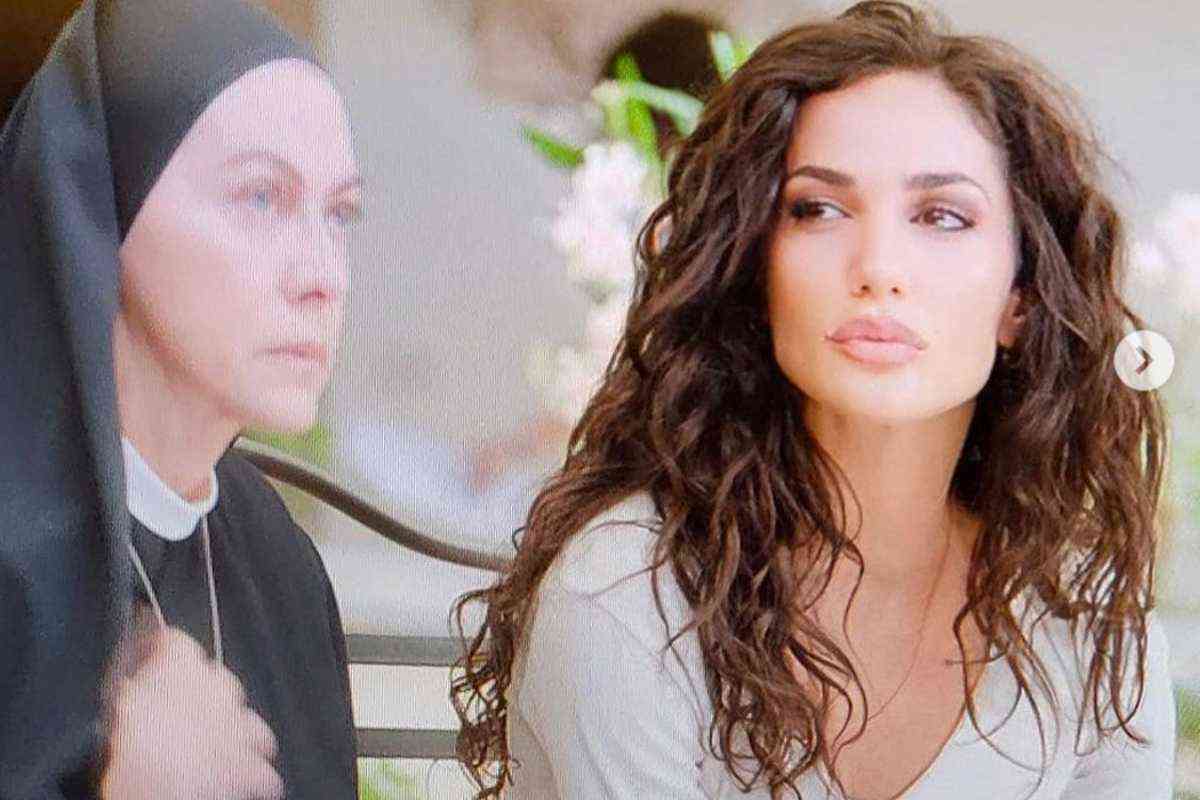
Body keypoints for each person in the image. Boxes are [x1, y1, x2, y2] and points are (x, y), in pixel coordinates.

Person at [451, 2, 1176, 798]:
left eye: (942, 216)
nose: (878, 267)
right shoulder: (632, 595)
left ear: (1022, 300)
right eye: (818, 209)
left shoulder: (1086, 616)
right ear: (756, 270)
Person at [0, 0, 361, 796]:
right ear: (103, 206)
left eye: (340, 213)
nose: (322, 276)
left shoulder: (280, 559)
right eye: (262, 198)